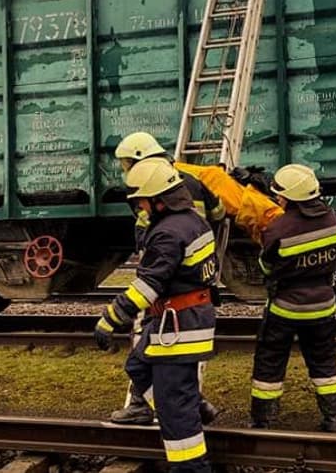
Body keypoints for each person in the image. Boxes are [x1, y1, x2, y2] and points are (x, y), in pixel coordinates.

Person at [94, 157, 219, 472]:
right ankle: (193, 404)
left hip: (178, 328)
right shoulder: (192, 220)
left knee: (176, 414)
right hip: (179, 320)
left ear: (159, 200)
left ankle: (191, 467)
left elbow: (146, 287)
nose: (140, 209)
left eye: (142, 202)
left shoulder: (166, 234)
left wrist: (109, 319)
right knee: (137, 366)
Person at [250, 163, 336, 432]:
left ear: (290, 197)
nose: (277, 198)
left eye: (280, 194)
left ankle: (262, 420)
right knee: (324, 360)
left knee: (270, 361)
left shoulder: (278, 229)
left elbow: (266, 267)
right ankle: (332, 418)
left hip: (286, 309)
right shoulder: (334, 219)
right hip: (324, 306)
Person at [115, 132, 226, 245]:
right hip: (203, 246)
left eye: (127, 162)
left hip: (171, 251)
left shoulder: (146, 191)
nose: (126, 169)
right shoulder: (191, 179)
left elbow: (144, 231)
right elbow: (218, 213)